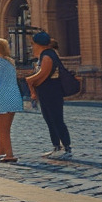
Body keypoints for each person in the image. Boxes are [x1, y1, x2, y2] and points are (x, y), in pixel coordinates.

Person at [27, 30, 72, 159]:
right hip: (46, 92)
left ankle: (66, 148)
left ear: (38, 44)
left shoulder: (47, 56)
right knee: (49, 120)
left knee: (57, 119)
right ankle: (56, 146)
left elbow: (43, 75)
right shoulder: (44, 55)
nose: (32, 47)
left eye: (33, 44)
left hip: (52, 92)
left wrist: (30, 81)